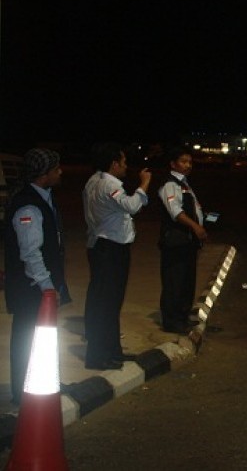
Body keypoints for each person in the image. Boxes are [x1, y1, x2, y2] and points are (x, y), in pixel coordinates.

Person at [3, 148, 66, 405]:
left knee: (39, 339)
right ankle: (22, 392)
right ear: (43, 174)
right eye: (56, 169)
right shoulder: (29, 204)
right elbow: (30, 253)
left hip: (38, 286)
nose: (61, 172)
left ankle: (40, 385)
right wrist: (47, 287)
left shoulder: (44, 197)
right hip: (31, 288)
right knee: (26, 338)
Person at [83, 142, 151, 370]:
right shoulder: (109, 184)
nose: (125, 166)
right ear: (113, 164)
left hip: (99, 245)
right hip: (111, 248)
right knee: (107, 303)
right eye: (123, 162)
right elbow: (131, 206)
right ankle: (99, 355)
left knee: (104, 302)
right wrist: (144, 184)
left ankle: (111, 351)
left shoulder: (93, 181)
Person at [157, 145, 208, 334]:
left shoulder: (185, 184)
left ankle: (182, 317)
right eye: (183, 162)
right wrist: (195, 226)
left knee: (186, 281)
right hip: (175, 242)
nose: (188, 165)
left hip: (187, 242)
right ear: (173, 164)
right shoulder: (170, 185)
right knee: (174, 282)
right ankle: (172, 322)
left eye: (190, 162)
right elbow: (175, 212)